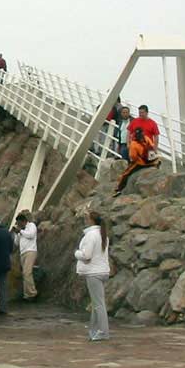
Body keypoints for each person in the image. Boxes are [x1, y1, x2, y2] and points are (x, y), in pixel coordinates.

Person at [74, 210, 111, 341]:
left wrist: (77, 253)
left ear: (91, 220)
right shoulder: (103, 234)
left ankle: (102, 332)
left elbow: (87, 255)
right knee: (97, 303)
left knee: (98, 304)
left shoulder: (90, 235)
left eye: (86, 218)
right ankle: (94, 330)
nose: (85, 220)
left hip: (94, 273)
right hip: (103, 271)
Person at [115, 127, 160, 194]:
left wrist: (139, 159)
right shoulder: (147, 139)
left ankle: (119, 188)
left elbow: (133, 156)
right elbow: (152, 147)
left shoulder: (133, 144)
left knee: (126, 174)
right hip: (151, 161)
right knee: (158, 161)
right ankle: (156, 166)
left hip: (140, 163)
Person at [15, 212, 38, 301]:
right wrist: (17, 233)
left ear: (24, 221)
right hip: (23, 252)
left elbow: (31, 235)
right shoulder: (21, 231)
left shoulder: (31, 225)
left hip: (30, 251)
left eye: (19, 223)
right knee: (25, 274)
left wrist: (20, 231)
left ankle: (33, 293)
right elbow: (16, 243)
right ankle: (27, 295)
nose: (18, 225)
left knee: (27, 272)